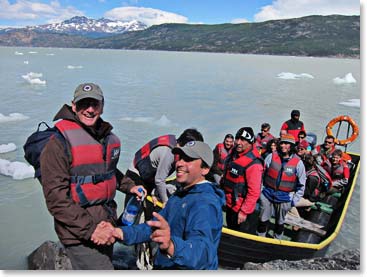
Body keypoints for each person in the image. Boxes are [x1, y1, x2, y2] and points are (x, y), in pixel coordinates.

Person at [39, 83, 144, 269]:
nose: (89, 109)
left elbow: (108, 172)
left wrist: (129, 186)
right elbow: (56, 199)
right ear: (73, 106)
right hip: (79, 232)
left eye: (94, 104)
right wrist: (92, 230)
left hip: (106, 221)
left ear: (102, 106)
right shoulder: (58, 143)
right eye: (83, 104)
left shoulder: (103, 136)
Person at [93, 141, 226, 269]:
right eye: (180, 158)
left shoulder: (205, 203)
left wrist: (171, 246)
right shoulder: (180, 195)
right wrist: (120, 232)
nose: (179, 163)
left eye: (189, 159)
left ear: (205, 169)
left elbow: (202, 252)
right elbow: (152, 227)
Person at [124, 128, 204, 209]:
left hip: (150, 178)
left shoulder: (178, 150)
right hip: (136, 175)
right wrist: (166, 202)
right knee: (130, 213)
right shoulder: (170, 153)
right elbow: (159, 180)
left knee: (149, 209)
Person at [257, 134, 306, 239]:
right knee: (263, 220)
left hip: (285, 198)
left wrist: (293, 201)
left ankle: (277, 239)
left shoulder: (298, 163)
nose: (284, 146)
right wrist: (261, 192)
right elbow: (261, 174)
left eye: (287, 144)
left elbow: (301, 185)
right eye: (282, 143)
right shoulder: (271, 156)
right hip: (267, 194)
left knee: (280, 222)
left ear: (292, 146)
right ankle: (260, 237)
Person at [221, 127, 263, 231]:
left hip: (241, 208)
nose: (238, 142)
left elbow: (254, 192)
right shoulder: (233, 155)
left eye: (243, 140)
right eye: (237, 138)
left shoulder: (254, 164)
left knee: (240, 233)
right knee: (230, 227)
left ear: (250, 143)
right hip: (230, 203)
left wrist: (244, 212)